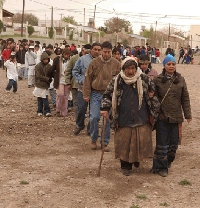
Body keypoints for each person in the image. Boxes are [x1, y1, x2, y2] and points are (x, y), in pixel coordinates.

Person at [100, 57, 160, 176]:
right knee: (124, 142)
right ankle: (126, 165)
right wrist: (104, 109)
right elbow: (107, 95)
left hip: (141, 116)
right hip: (123, 117)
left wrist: (153, 99)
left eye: (133, 68)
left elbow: (153, 91)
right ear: (123, 69)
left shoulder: (144, 78)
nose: (131, 71)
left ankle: (136, 159)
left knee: (140, 140)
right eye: (128, 68)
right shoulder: (117, 81)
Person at [151, 54, 192, 177]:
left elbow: (185, 98)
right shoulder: (157, 80)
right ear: (164, 65)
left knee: (173, 143)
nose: (171, 66)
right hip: (162, 116)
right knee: (162, 143)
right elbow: (153, 98)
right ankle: (160, 167)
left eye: (173, 64)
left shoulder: (180, 79)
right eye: (169, 64)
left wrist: (187, 114)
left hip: (176, 116)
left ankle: (167, 162)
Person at [83, 41, 121, 150]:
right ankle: (93, 139)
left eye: (109, 52)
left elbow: (119, 81)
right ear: (101, 51)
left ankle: (105, 142)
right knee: (94, 117)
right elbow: (87, 78)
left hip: (109, 95)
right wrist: (86, 94)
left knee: (107, 119)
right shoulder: (94, 63)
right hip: (96, 93)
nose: (106, 54)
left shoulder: (116, 63)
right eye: (104, 52)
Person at [72, 43, 101, 136]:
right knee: (81, 108)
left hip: (96, 90)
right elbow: (75, 71)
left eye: (99, 50)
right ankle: (79, 125)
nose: (97, 52)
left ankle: (90, 129)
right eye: (95, 49)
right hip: (83, 89)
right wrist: (83, 80)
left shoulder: (102, 62)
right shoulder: (82, 59)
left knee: (94, 112)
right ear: (91, 50)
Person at [33, 52, 53, 117]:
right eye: (44, 59)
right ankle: (40, 111)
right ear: (42, 59)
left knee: (45, 98)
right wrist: (47, 79)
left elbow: (51, 73)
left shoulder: (49, 66)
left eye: (47, 59)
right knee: (40, 98)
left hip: (45, 85)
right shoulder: (38, 66)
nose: (45, 61)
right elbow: (38, 76)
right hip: (39, 84)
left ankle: (46, 111)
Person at [52, 48, 71, 117]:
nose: (66, 56)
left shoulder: (70, 61)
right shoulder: (57, 59)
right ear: (63, 54)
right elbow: (53, 68)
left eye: (68, 55)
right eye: (65, 54)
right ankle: (58, 109)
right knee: (60, 94)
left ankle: (64, 111)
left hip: (67, 80)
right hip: (60, 79)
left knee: (66, 96)